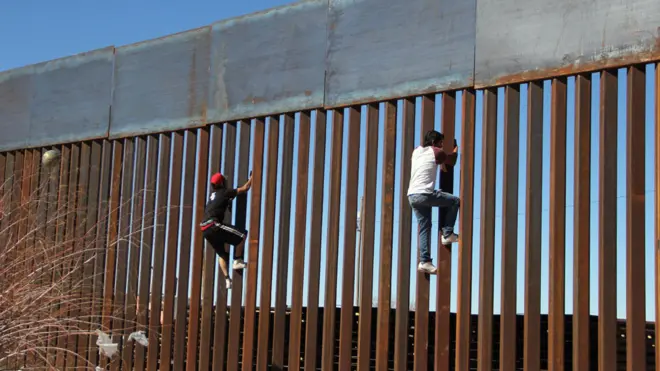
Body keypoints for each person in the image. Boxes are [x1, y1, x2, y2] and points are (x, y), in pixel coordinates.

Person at [407, 130, 460, 274]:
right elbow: (452, 161)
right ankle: (447, 233)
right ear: (434, 143)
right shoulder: (436, 152)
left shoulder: (416, 151)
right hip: (424, 194)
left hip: (412, 195)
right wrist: (455, 149)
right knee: (455, 201)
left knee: (425, 226)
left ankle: (424, 261)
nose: (442, 146)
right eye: (440, 143)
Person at [200, 172, 253, 289]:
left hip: (204, 228)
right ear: (222, 183)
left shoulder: (212, 195)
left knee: (222, 253)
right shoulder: (224, 192)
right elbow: (245, 188)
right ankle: (237, 260)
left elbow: (221, 202)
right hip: (213, 225)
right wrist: (252, 178)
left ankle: (227, 279)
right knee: (242, 235)